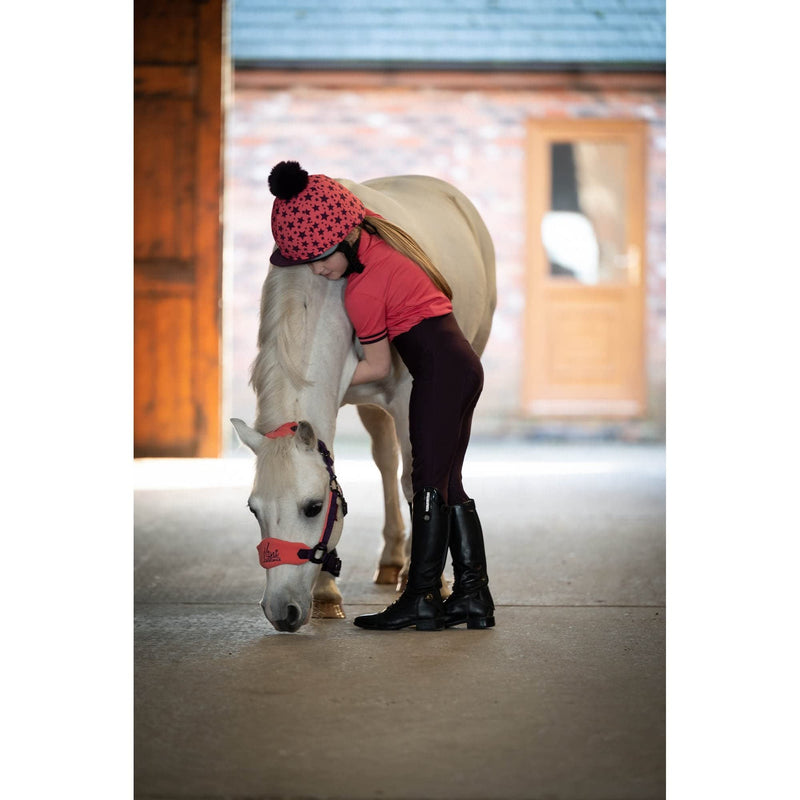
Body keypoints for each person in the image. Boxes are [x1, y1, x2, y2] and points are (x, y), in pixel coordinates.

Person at [267, 160, 494, 631]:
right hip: (458, 369)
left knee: (429, 485)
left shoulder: (363, 292)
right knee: (448, 486)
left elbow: (379, 367)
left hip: (437, 379)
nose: (317, 271)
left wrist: (312, 389)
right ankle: (472, 596)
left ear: (347, 239)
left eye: (322, 258)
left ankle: (423, 595)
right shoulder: (384, 254)